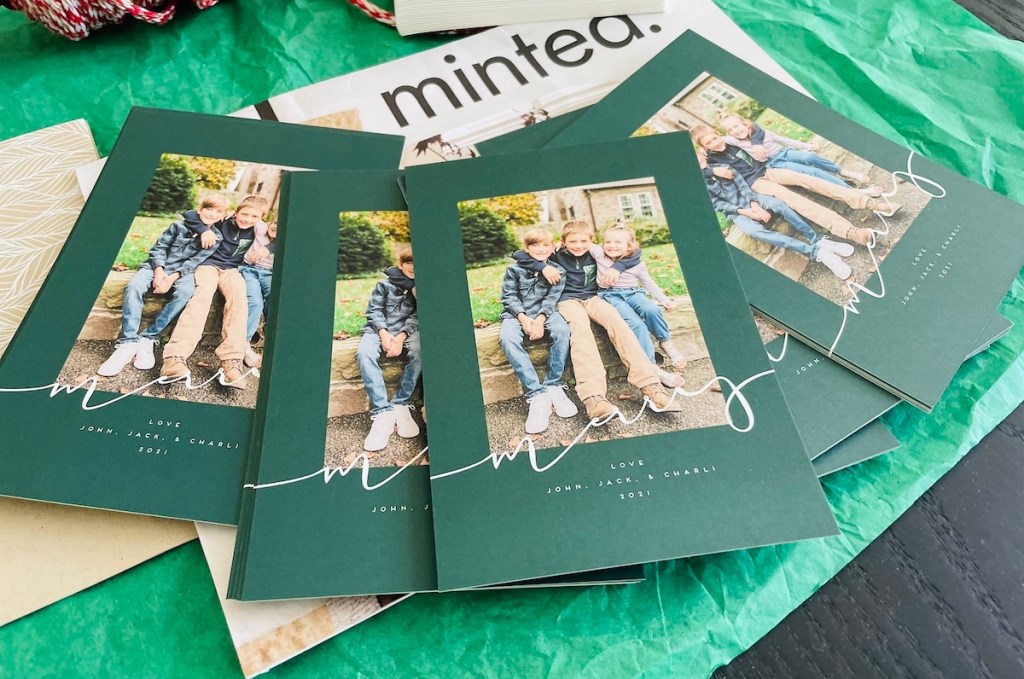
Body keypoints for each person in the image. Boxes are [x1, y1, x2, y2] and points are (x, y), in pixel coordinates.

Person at [514, 220, 682, 421]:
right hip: (567, 301)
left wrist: (618, 267)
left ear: (591, 241)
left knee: (619, 324)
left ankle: (650, 386)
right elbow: (519, 254)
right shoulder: (555, 253)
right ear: (563, 242)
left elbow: (634, 253)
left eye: (583, 241)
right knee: (581, 332)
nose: (578, 245)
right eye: (572, 241)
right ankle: (594, 398)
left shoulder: (596, 253)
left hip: (593, 297)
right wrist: (542, 266)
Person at [690, 125, 897, 247]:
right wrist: (710, 171)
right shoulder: (709, 159)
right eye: (709, 143)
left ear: (718, 133)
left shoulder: (730, 139)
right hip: (756, 184)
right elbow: (693, 173)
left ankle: (870, 204)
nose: (716, 143)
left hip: (768, 169)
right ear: (704, 147)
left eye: (715, 137)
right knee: (795, 200)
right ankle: (852, 232)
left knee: (809, 180)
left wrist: (756, 144)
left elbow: (754, 127)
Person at [96, 193, 227, 377]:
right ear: (200, 210)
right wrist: (159, 272)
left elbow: (194, 262)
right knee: (134, 286)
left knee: (185, 292)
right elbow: (159, 249)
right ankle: (128, 341)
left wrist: (171, 278)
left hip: (182, 272)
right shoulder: (177, 226)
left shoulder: (216, 238)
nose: (212, 214)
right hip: (155, 266)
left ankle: (150, 336)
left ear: (223, 216)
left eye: (218, 211)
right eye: (209, 209)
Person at [159, 194, 269, 389]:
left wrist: (269, 248)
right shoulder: (222, 222)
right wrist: (203, 230)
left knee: (239, 300)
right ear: (236, 212)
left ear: (261, 218)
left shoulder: (259, 230)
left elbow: (283, 234)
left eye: (254, 217)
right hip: (207, 266)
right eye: (244, 214)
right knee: (202, 297)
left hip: (232, 270)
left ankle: (231, 363)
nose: (248, 220)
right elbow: (191, 214)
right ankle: (175, 357)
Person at [700, 154, 855, 280]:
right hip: (736, 213)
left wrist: (754, 204)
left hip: (753, 198)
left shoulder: (724, 168)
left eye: (697, 155)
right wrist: (744, 211)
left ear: (702, 154)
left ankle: (818, 239)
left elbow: (742, 185)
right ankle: (816, 252)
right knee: (755, 232)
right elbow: (718, 204)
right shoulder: (699, 182)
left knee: (780, 205)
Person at [499, 228, 578, 434]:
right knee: (507, 339)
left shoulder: (558, 271)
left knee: (562, 331)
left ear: (553, 247)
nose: (541, 249)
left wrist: (541, 320)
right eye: (535, 245)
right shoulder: (513, 270)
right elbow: (509, 297)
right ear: (526, 248)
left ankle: (554, 384)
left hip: (546, 313)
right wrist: (523, 319)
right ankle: (536, 393)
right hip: (516, 314)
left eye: (546, 245)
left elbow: (552, 299)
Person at [591, 223, 689, 385]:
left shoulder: (637, 264)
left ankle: (666, 342)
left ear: (629, 247)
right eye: (608, 242)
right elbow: (582, 242)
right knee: (636, 325)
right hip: (610, 295)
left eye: (617, 242)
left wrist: (664, 300)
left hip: (633, 292)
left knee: (651, 309)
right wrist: (559, 244)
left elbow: (649, 283)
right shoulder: (600, 255)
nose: (611, 246)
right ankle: (651, 366)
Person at [719, 113, 881, 196]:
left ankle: (842, 171)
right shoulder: (736, 141)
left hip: (785, 152)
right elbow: (716, 140)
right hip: (775, 163)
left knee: (808, 156)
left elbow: (785, 140)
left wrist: (807, 145)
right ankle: (853, 191)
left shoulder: (763, 133)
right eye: (730, 129)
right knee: (811, 172)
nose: (735, 130)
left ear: (744, 123)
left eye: (736, 126)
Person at [357, 247, 422, 452]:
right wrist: (384, 334)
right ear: (400, 265)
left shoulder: (420, 288)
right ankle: (383, 412)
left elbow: (418, 316)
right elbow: (374, 311)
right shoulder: (383, 285)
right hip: (378, 329)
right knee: (364, 353)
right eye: (409, 266)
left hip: (408, 332)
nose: (413, 270)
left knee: (420, 351)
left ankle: (401, 402)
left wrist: (401, 336)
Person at [238, 220, 277, 369]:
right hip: (250, 270)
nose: (276, 227)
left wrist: (270, 247)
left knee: (276, 299)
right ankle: (244, 344)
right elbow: (251, 214)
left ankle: (270, 334)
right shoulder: (261, 229)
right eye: (275, 223)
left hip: (269, 274)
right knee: (255, 302)